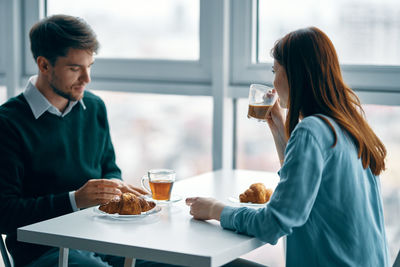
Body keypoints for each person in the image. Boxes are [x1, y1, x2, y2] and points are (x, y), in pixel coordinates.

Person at [186, 27, 390, 267]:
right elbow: (305, 191)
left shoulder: (312, 130)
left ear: (295, 74)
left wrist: (215, 209)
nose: (273, 81)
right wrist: (280, 132)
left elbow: (273, 223)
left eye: (275, 70)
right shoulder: (350, 125)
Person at [0, 14, 157, 267]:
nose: (87, 79)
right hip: (42, 252)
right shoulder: (8, 123)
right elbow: (4, 213)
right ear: (44, 65)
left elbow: (109, 168)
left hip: (101, 237)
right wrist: (75, 200)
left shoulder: (94, 107)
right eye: (75, 69)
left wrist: (114, 186)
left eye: (90, 66)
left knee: (182, 261)